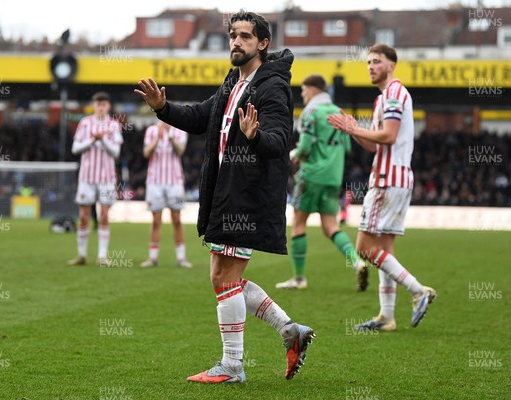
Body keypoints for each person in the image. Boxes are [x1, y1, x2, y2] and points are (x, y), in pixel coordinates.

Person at [135, 10, 314, 383]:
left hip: (246, 197)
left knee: (223, 277)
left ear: (263, 43)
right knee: (223, 276)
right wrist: (162, 109)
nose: (236, 42)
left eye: (245, 37)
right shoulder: (235, 80)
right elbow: (202, 117)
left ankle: (233, 366)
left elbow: (280, 141)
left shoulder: (272, 86)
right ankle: (289, 331)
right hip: (228, 192)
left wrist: (254, 137)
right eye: (233, 35)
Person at [328, 44, 436, 331]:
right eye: (368, 63)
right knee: (384, 249)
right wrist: (353, 130)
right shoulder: (384, 99)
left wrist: (353, 129)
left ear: (392, 65)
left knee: (364, 247)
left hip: (387, 180)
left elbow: (388, 136)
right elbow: (376, 144)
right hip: (398, 178)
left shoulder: (393, 94)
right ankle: (387, 316)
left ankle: (417, 290)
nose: (371, 66)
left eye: (377, 61)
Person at [275, 74, 368, 291]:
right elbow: (346, 147)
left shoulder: (311, 113)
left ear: (314, 89)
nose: (302, 94)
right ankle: (357, 262)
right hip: (333, 177)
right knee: (330, 226)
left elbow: (305, 148)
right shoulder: (338, 112)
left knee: (298, 223)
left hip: (311, 175)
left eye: (304, 90)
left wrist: (293, 153)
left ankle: (299, 279)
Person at [67, 92, 123, 267]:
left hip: (107, 177)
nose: (101, 107)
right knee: (83, 216)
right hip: (87, 176)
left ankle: (102, 256)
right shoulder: (85, 123)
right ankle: (82, 255)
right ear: (94, 105)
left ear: (108, 106)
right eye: (98, 104)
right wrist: (92, 140)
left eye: (104, 104)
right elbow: (75, 148)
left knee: (104, 215)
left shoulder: (114, 125)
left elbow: (116, 152)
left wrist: (103, 139)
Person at [140, 121, 193, 269]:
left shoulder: (179, 130)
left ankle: (181, 258)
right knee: (156, 220)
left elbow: (180, 151)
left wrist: (169, 136)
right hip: (154, 181)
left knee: (176, 219)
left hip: (175, 181)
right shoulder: (151, 130)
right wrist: (157, 139)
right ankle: (152, 258)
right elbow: (146, 153)